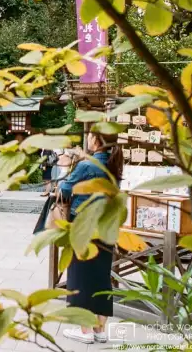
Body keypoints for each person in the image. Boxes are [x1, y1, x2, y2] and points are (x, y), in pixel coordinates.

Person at [59, 132, 123, 344]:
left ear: (96, 140)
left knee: (79, 276)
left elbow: (65, 189)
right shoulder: (114, 167)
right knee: (101, 277)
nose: (87, 138)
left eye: (90, 135)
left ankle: (85, 331)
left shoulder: (87, 165)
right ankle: (100, 330)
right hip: (107, 228)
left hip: (84, 228)